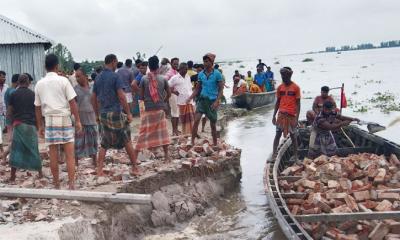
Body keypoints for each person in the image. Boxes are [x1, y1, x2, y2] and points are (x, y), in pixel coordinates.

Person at [34, 54, 82, 189]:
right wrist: (77, 121)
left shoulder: (39, 84)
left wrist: (40, 126)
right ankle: (71, 184)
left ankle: (56, 184)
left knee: (53, 155)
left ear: (45, 67)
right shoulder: (63, 81)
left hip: (49, 120)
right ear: (57, 66)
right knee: (69, 155)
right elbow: (73, 103)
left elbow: (37, 107)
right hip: (64, 119)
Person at [92, 54, 139, 176]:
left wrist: (97, 114)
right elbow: (122, 96)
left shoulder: (97, 78)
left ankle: (100, 169)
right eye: (116, 63)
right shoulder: (115, 76)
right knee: (126, 139)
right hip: (116, 112)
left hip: (103, 114)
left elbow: (94, 98)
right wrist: (128, 113)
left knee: (104, 142)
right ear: (113, 62)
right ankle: (135, 167)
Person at [132, 55, 171, 163]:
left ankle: (134, 158)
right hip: (160, 110)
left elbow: (141, 95)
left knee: (143, 134)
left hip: (148, 110)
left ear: (149, 66)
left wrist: (146, 99)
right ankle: (166, 156)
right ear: (158, 66)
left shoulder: (144, 79)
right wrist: (163, 101)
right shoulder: (163, 78)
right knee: (163, 133)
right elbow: (169, 93)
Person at [8, 74, 43, 182]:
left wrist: (11, 122)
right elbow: (38, 111)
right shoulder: (33, 94)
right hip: (31, 125)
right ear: (28, 83)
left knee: (16, 150)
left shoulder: (13, 94)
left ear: (18, 82)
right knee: (34, 149)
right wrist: (39, 126)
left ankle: (13, 176)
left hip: (18, 125)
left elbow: (9, 112)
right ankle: (40, 173)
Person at [187, 53, 224, 146]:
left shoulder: (217, 74)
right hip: (202, 100)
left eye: (207, 61)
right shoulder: (200, 74)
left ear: (212, 62)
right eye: (204, 61)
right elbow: (197, 88)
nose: (205, 63)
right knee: (196, 121)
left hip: (212, 101)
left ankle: (215, 143)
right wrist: (190, 97)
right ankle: (192, 141)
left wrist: (216, 101)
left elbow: (221, 90)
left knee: (212, 124)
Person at [272, 67, 301, 159]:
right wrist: (274, 115)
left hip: (291, 115)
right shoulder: (280, 88)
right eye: (282, 75)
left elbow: (298, 104)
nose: (283, 77)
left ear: (289, 75)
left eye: (285, 75)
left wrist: (297, 118)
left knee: (293, 136)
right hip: (281, 115)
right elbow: (277, 102)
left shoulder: (296, 87)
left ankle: (296, 156)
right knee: (277, 134)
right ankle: (273, 154)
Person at [74, 68, 98, 166]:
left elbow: (96, 101)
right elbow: (73, 105)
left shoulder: (92, 87)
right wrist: (76, 119)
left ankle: (94, 161)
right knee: (78, 142)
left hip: (92, 117)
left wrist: (98, 114)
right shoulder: (75, 89)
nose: (77, 78)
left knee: (93, 141)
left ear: (85, 76)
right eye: (76, 77)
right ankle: (76, 162)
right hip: (81, 119)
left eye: (79, 76)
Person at [169, 63, 195, 135]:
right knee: (184, 119)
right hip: (181, 102)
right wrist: (174, 92)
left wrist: (192, 95)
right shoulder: (175, 78)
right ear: (180, 69)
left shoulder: (188, 77)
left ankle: (192, 132)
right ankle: (185, 133)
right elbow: (167, 86)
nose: (186, 70)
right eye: (185, 69)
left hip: (189, 101)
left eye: (187, 69)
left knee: (191, 118)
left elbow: (189, 88)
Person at [165, 57, 180, 135]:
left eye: (177, 64)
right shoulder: (169, 73)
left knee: (177, 113)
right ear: (171, 64)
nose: (176, 65)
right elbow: (165, 84)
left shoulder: (176, 72)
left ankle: (176, 129)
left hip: (177, 95)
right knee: (174, 113)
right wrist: (173, 92)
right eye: (174, 64)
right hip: (173, 95)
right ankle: (174, 130)